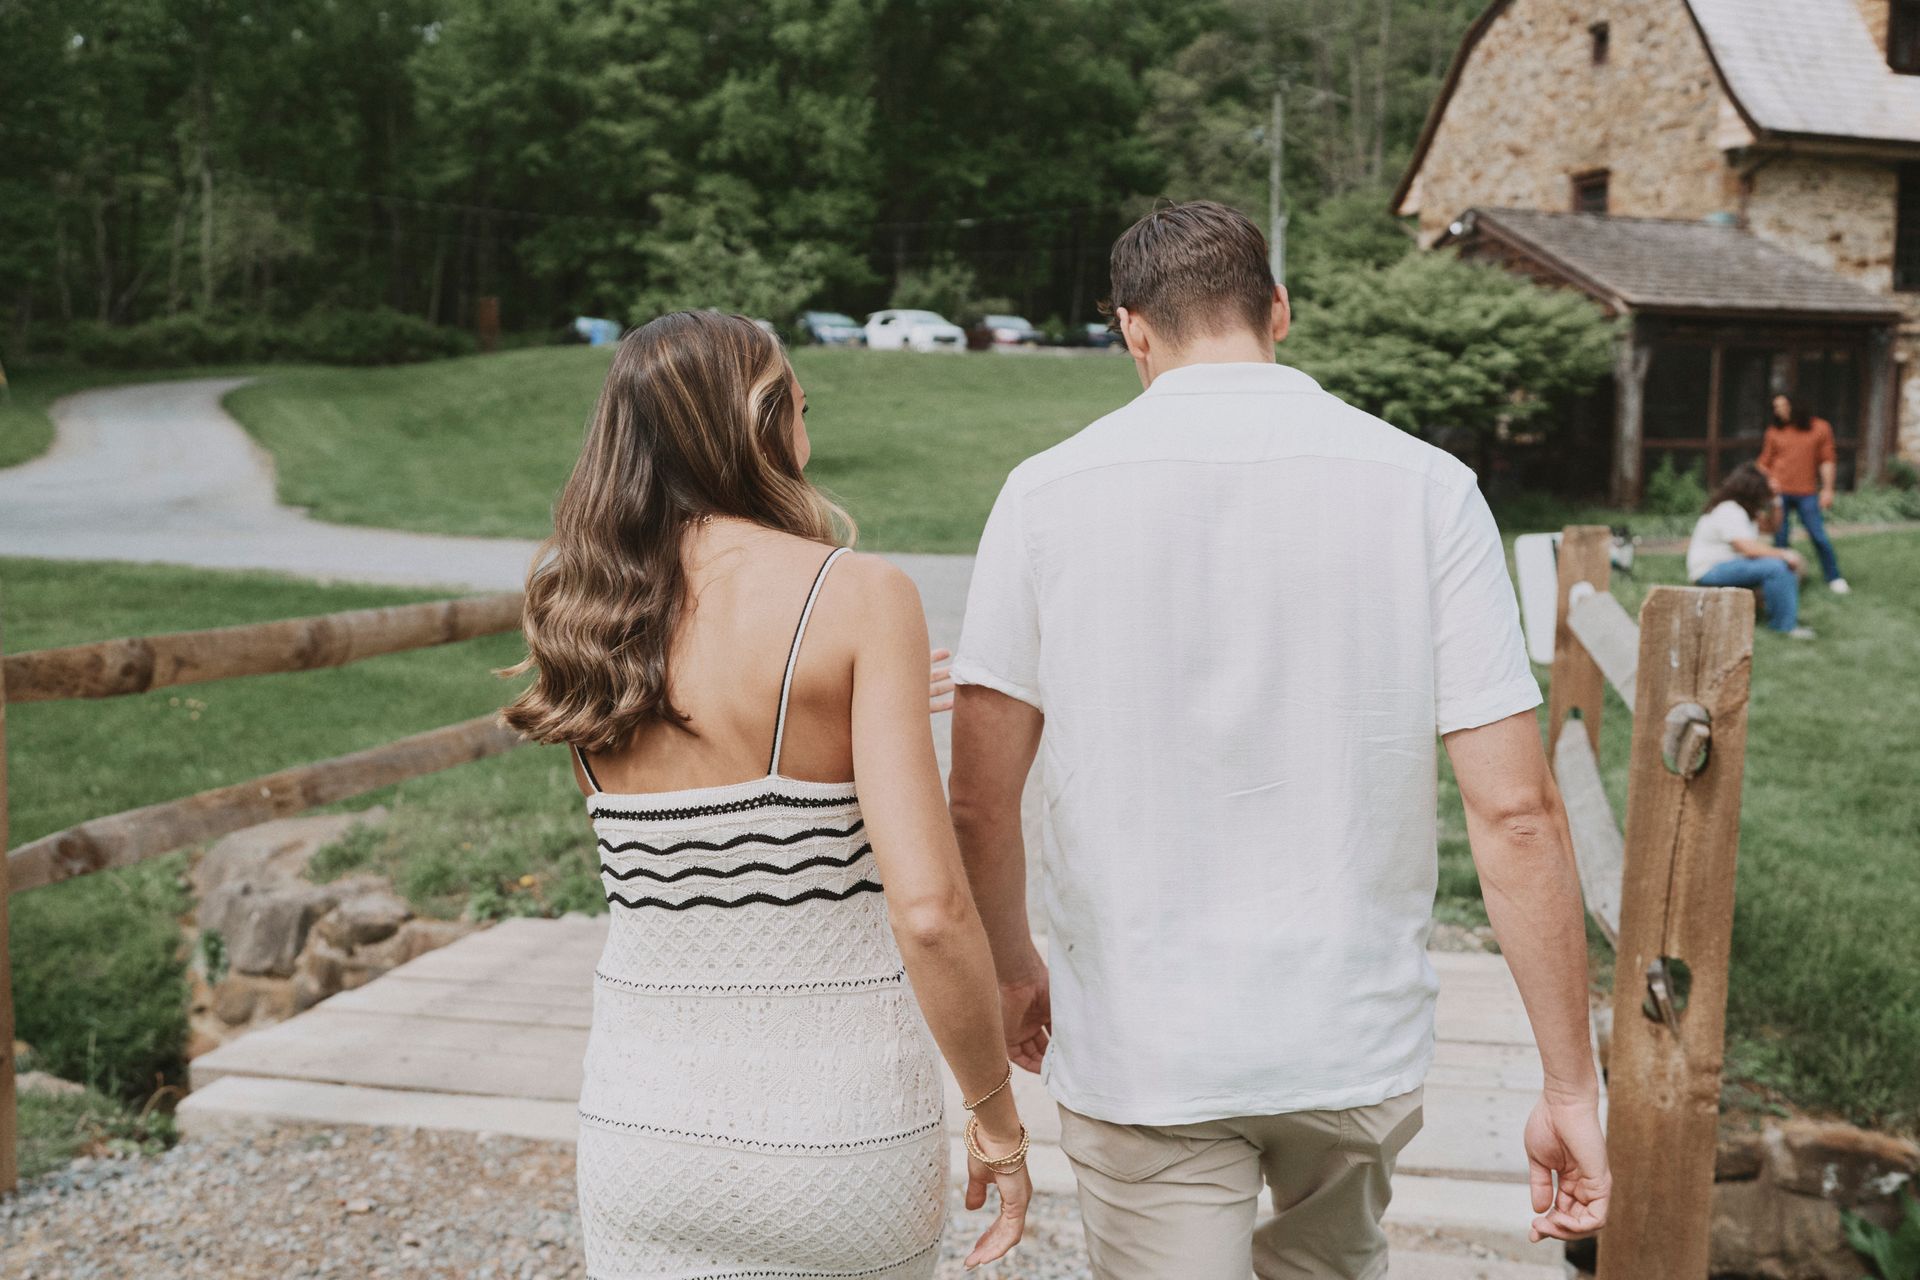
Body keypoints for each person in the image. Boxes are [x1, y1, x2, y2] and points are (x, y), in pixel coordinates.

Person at [946, 201, 1609, 1280]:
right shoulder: (1430, 490)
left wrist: (1016, 971)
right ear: (1280, 312)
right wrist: (1571, 1084)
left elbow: (977, 798)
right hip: (1349, 1034)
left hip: (1144, 1038)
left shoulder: (1044, 495)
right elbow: (1518, 813)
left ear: (1133, 331)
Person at [500, 311, 1030, 1278]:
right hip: (840, 1136)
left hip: (641, 1131)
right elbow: (929, 908)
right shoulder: (861, 596)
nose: (807, 433)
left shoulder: (576, 610)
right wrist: (996, 1119)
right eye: (799, 405)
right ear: (759, 423)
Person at [1689, 461, 1815, 639]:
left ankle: (1773, 613)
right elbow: (1747, 548)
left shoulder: (1745, 511)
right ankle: (1784, 626)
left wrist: (1776, 500)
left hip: (1729, 566)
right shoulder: (1730, 510)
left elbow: (1772, 527)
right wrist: (1784, 554)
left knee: (1784, 565)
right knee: (1778, 567)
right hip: (1710, 570)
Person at [1757, 393, 1850, 594]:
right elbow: (1764, 462)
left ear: (1795, 406)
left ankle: (1834, 577)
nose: (1778, 410)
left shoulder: (1820, 428)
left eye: (1782, 406)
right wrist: (1767, 480)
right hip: (1779, 492)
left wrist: (1827, 489)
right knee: (1780, 538)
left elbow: (1827, 460)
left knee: (1818, 535)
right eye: (1775, 407)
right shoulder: (1775, 431)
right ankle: (1785, 579)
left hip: (1807, 492)